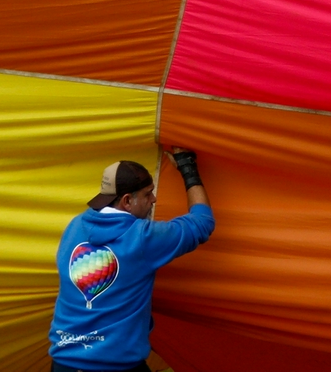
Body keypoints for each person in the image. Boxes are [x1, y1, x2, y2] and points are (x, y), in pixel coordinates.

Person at [48, 146, 213, 372]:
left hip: (64, 364)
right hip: (116, 367)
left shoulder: (74, 227)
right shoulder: (143, 238)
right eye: (148, 193)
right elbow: (202, 222)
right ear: (127, 201)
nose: (154, 199)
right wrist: (187, 166)